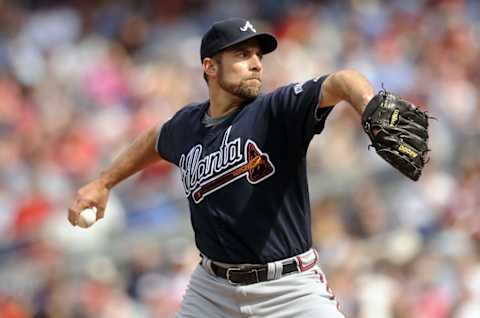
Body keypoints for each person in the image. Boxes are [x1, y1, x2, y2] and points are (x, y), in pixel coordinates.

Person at [68, 17, 376, 317]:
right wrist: (104, 182)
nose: (256, 63)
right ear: (210, 67)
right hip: (212, 290)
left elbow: (339, 81)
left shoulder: (275, 111)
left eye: (258, 55)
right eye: (242, 55)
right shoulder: (187, 126)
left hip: (288, 288)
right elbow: (155, 139)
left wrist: (370, 105)